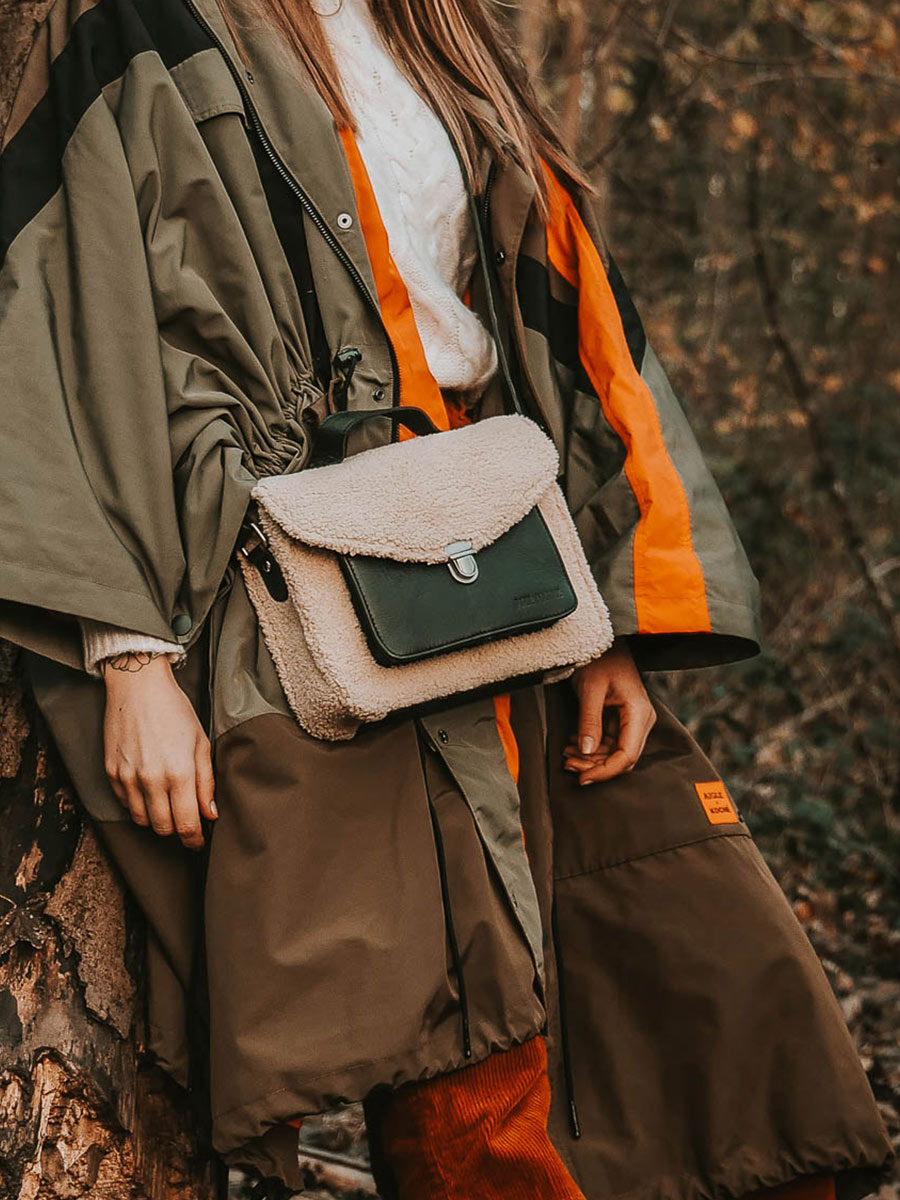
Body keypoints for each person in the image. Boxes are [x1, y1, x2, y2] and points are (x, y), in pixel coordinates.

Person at [0, 0, 892, 1196]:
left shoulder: (442, 27)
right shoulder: (148, 23)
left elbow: (562, 314)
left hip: (507, 555)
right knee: (458, 1058)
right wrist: (130, 652)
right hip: (298, 597)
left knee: (693, 983)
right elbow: (73, 323)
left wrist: (613, 616)